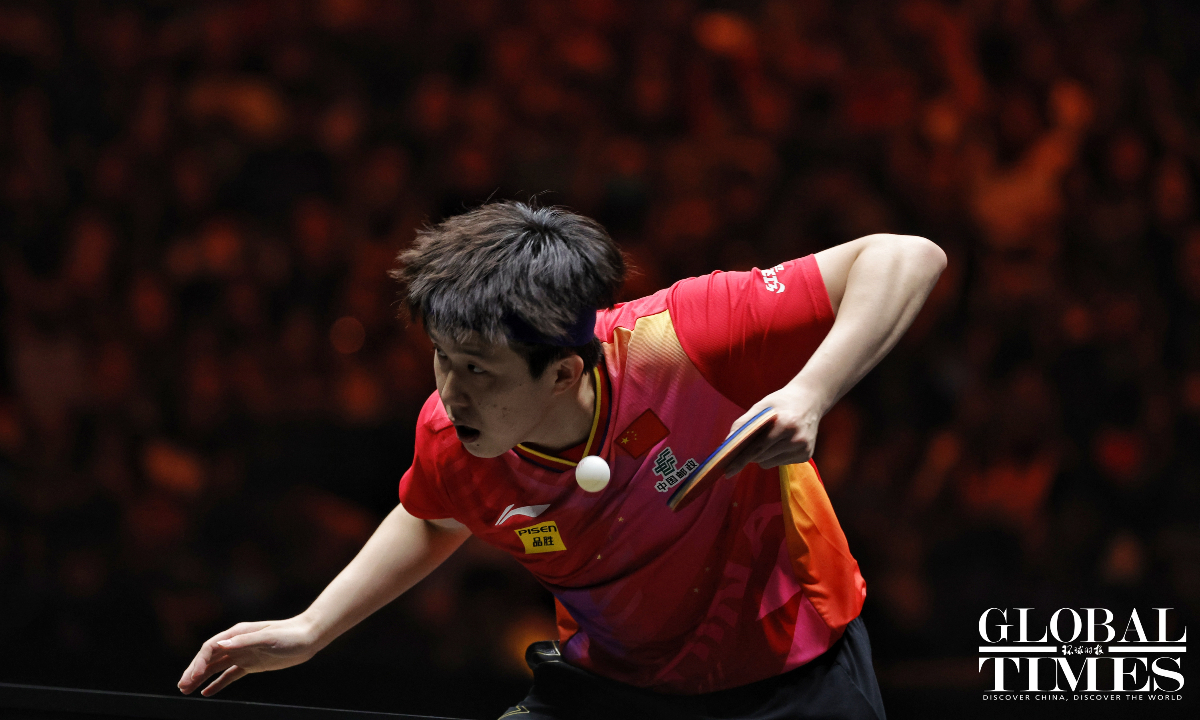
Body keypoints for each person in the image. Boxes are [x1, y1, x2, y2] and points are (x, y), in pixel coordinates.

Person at [178, 201, 946, 719]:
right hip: (609, 687)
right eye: (442, 359)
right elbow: (434, 515)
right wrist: (312, 628)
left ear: (562, 373)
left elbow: (906, 256)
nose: (451, 392)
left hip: (790, 671)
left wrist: (811, 391)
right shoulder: (452, 433)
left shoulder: (683, 341)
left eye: (478, 370)